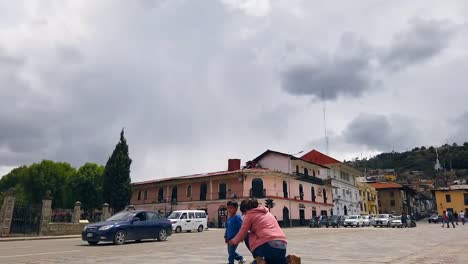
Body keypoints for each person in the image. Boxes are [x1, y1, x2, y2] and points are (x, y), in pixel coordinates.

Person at [228, 199, 288, 264]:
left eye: (243, 213)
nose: (243, 215)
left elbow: (242, 233)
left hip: (268, 246)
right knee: (275, 261)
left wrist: (233, 241)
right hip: (283, 245)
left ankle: (258, 259)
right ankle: (287, 260)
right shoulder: (268, 213)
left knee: (247, 234)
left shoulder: (249, 215)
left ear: (245, 210)